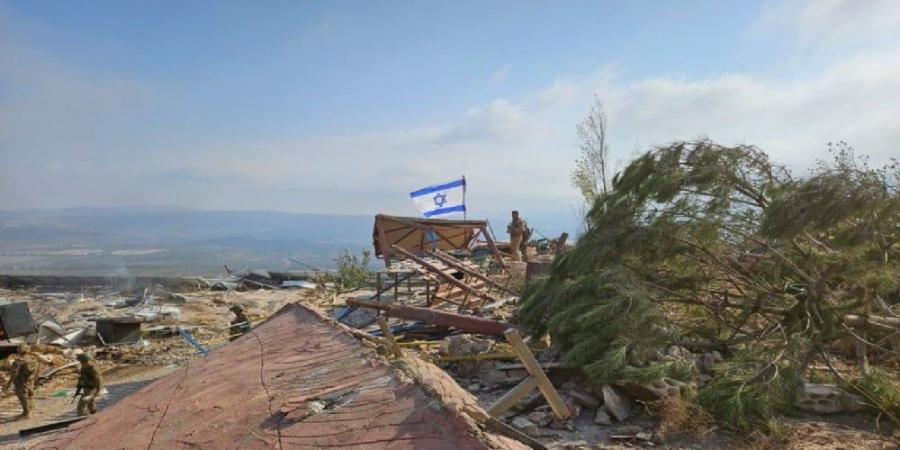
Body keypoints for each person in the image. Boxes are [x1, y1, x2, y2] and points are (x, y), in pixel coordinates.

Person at [2, 344, 37, 419]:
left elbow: (14, 374)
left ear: (19, 351)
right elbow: (36, 371)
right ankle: (31, 409)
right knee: (30, 394)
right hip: (30, 380)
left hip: (21, 381)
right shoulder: (33, 359)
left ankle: (26, 413)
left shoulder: (19, 362)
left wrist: (9, 382)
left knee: (23, 396)